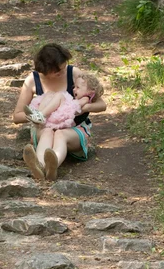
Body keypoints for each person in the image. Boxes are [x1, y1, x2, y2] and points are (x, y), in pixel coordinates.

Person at [13, 43, 107, 181]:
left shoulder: (74, 74)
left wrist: (78, 108)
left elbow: (101, 104)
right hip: (44, 127)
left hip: (73, 130)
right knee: (48, 131)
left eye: (64, 68)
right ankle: (40, 166)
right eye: (58, 71)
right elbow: (17, 116)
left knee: (60, 134)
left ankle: (53, 164)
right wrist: (36, 115)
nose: (63, 72)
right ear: (45, 70)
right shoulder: (32, 80)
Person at [23, 72, 104, 129]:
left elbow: (75, 107)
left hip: (66, 115)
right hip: (64, 113)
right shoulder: (82, 97)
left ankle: (41, 115)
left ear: (90, 92)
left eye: (78, 87)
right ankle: (38, 114)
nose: (74, 90)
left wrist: (63, 102)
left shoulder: (85, 98)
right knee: (50, 93)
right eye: (74, 87)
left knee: (59, 95)